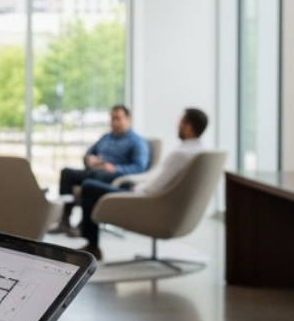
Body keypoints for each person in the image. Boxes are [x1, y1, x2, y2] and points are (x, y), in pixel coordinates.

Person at [75, 107, 209, 260]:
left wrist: (137, 187)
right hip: (174, 205)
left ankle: (92, 246)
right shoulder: (203, 151)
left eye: (180, 122)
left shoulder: (181, 154)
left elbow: (156, 186)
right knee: (103, 182)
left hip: (152, 203)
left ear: (188, 126)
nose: (177, 126)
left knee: (88, 186)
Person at [56, 103, 148, 232]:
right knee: (66, 172)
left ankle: (84, 225)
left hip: (115, 176)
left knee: (91, 180)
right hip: (95, 171)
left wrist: (115, 168)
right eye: (112, 118)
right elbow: (89, 153)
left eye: (118, 118)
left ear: (128, 119)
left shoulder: (137, 141)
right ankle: (65, 221)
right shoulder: (106, 137)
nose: (114, 122)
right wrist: (89, 160)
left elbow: (140, 167)